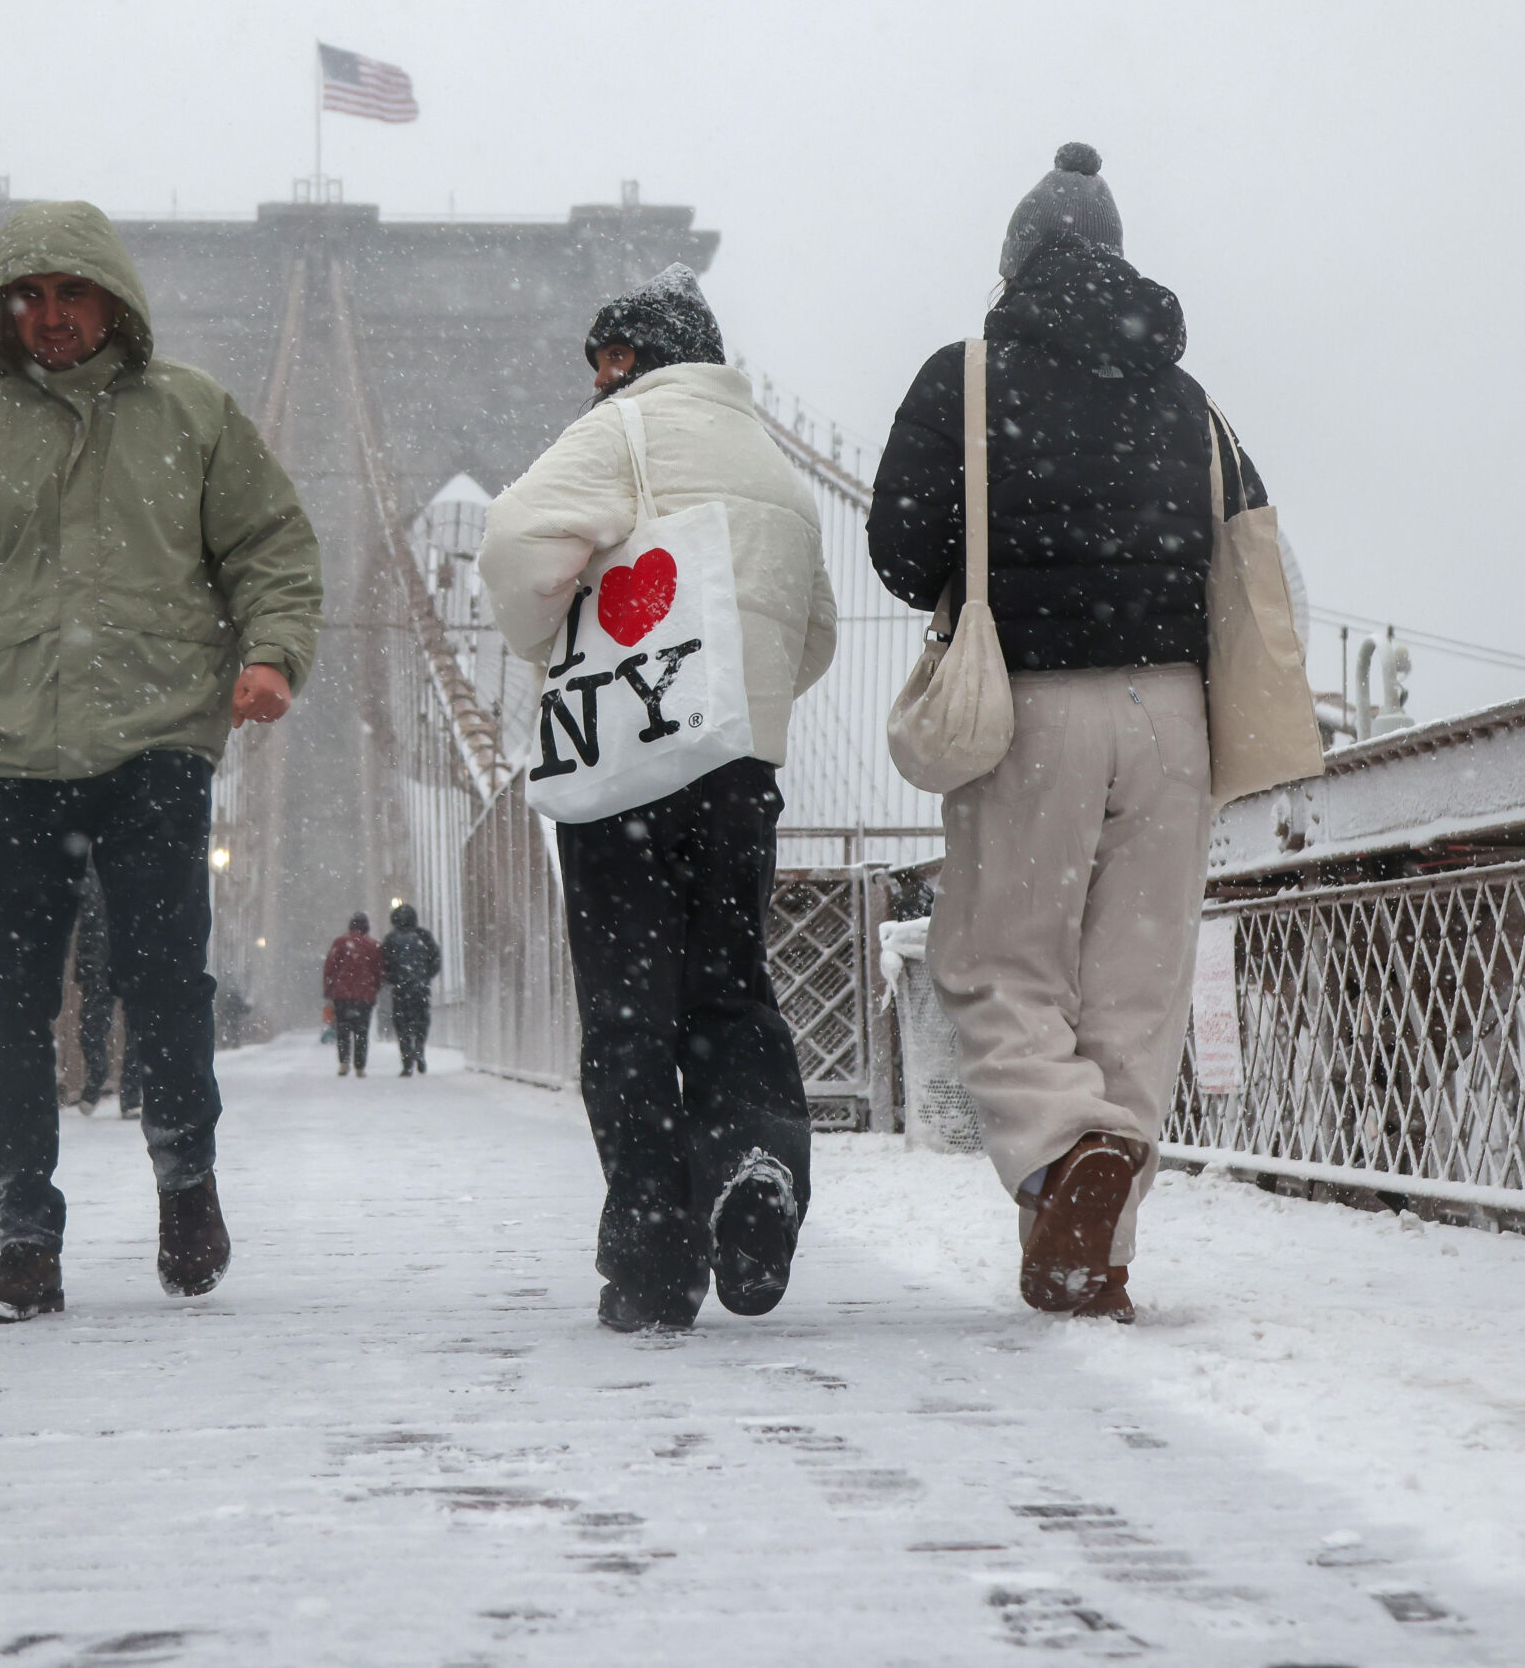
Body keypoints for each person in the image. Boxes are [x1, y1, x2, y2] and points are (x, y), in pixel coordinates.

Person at [0, 200, 323, 1323]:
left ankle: (183, 1176)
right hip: (12, 750)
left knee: (165, 987)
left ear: (113, 300)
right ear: (2, 311)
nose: (51, 318)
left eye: (73, 294)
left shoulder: (193, 416)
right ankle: (24, 1241)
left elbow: (270, 548)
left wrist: (271, 655)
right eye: (30, 297)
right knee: (6, 1008)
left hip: (157, 741)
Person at [867, 145, 1267, 1324]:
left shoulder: (967, 377)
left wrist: (988, 570)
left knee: (999, 963)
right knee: (1134, 990)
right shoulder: (1188, 400)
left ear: (1013, 261)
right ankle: (1092, 1247)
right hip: (1175, 715)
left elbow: (899, 550)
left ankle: (1058, 1154)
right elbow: (1245, 552)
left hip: (1033, 705)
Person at [479, 264, 837, 1333]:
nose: (600, 379)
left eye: (612, 358)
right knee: (729, 989)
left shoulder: (620, 434)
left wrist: (551, 635)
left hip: (623, 772)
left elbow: (511, 545)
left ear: (643, 359)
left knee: (631, 1016)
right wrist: (736, 695)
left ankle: (652, 1254)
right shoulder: (774, 467)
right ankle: (756, 1165)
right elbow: (813, 635)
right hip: (738, 770)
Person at [70, 863, 139, 1118]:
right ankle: (98, 1074)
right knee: (92, 1027)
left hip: (127, 956)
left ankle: (131, 1095)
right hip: (100, 959)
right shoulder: (90, 869)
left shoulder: (132, 861)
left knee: (136, 1028)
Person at [380, 904, 442, 1077]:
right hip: (420, 988)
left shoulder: (391, 939)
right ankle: (419, 1048)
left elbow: (383, 964)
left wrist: (392, 978)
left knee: (402, 1025)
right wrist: (426, 975)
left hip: (401, 989)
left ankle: (407, 1060)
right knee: (421, 1021)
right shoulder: (424, 936)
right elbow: (435, 959)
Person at [322, 913, 384, 1078]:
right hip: (364, 994)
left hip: (342, 994)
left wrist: (329, 989)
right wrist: (375, 987)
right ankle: (360, 1065)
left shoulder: (340, 943)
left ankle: (344, 1062)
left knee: (343, 1029)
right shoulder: (373, 945)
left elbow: (330, 968)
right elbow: (379, 971)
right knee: (362, 1031)